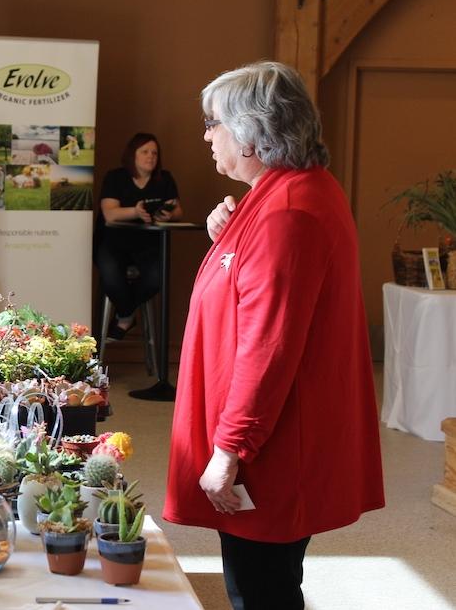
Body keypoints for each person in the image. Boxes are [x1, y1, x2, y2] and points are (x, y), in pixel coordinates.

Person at [163, 61, 384, 609]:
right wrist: (226, 235)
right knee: (266, 583)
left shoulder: (287, 210)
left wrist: (230, 448)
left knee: (261, 591)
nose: (206, 136)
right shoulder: (276, 195)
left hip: (272, 446)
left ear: (252, 133)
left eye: (213, 123)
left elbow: (268, 346)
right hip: (276, 435)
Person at [95, 132, 183, 340]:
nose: (151, 156)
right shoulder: (116, 177)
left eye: (154, 152)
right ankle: (127, 316)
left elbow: (179, 211)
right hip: (113, 243)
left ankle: (124, 314)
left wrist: (168, 213)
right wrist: (135, 212)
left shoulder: (165, 179)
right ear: (132, 155)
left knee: (158, 277)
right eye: (145, 151)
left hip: (148, 245)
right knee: (111, 275)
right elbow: (110, 213)